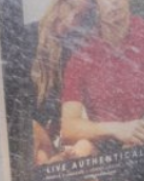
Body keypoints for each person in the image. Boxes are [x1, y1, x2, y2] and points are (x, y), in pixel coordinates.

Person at [59, 0, 144, 157]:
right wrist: (118, 129)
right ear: (95, 5)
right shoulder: (81, 55)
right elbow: (68, 127)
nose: (115, 2)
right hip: (103, 152)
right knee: (82, 150)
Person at [29, 0, 97, 165]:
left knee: (83, 147)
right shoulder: (29, 39)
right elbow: (26, 115)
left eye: (81, 16)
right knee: (37, 146)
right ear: (58, 4)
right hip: (40, 136)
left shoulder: (75, 50)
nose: (72, 19)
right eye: (71, 7)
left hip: (64, 135)